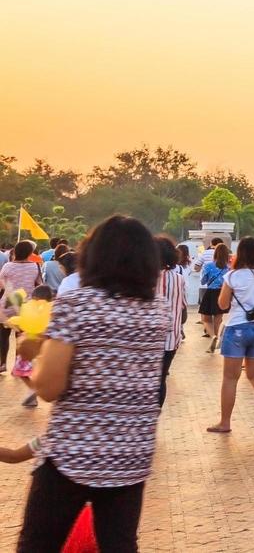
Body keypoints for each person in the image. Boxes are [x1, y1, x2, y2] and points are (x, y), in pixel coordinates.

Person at [13, 215, 166, 551]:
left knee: (37, 545)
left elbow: (49, 388)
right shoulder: (158, 311)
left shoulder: (77, 305)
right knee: (120, 545)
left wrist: (31, 355)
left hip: (72, 455)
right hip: (131, 456)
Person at [207, 236, 254, 433]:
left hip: (237, 327)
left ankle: (225, 422)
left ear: (239, 253)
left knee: (230, 378)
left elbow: (222, 305)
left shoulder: (232, 276)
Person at [0, 239, 44, 372]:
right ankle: (18, 366)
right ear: (30, 253)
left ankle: (2, 364)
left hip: (7, 306)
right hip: (26, 307)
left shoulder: (8, 266)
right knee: (21, 337)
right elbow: (40, 285)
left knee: (3, 336)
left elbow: (1, 284)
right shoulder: (35, 266)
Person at [155, 235, 186, 406]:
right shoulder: (179, 279)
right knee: (161, 379)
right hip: (172, 339)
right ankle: (156, 414)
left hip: (152, 338)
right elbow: (183, 305)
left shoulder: (149, 278)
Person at [12, 284, 52, 408]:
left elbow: (21, 321)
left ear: (34, 297)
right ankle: (33, 391)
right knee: (35, 372)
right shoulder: (51, 309)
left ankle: (33, 389)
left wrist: (11, 321)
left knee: (20, 371)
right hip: (44, 348)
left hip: (29, 348)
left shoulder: (31, 309)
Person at [198, 242, 229, 352]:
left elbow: (204, 280)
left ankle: (213, 336)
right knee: (218, 318)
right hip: (222, 292)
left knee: (206, 318)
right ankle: (216, 335)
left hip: (210, 292)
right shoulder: (228, 268)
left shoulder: (209, 266)